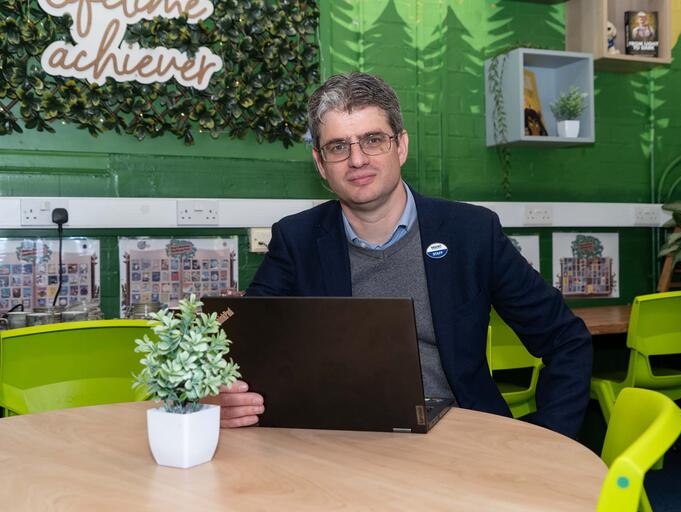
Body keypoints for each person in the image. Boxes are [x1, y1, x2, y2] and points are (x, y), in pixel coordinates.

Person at [205, 72, 592, 439]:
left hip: (465, 442)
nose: (357, 160)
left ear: (401, 146)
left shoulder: (472, 232)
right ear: (321, 163)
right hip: (342, 440)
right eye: (338, 147)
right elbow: (242, 352)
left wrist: (547, 436)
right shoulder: (296, 239)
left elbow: (565, 338)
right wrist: (220, 395)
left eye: (373, 140)